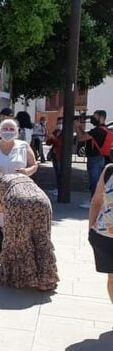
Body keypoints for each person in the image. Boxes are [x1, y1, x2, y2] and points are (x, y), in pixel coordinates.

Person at [0, 172, 59, 290]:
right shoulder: (19, 176)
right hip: (42, 200)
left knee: (17, 241)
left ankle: (19, 279)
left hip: (18, 202)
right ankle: (46, 280)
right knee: (42, 240)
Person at [89, 164, 113, 304]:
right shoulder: (109, 170)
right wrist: (90, 231)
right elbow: (97, 202)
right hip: (105, 237)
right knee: (112, 278)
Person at [76, 110, 108, 209]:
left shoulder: (97, 131)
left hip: (94, 159)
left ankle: (94, 203)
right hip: (100, 158)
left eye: (95, 116)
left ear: (101, 118)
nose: (92, 119)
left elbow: (81, 138)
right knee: (99, 181)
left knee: (94, 182)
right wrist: (81, 127)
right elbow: (87, 135)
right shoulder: (104, 129)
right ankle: (98, 201)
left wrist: (77, 127)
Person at [46, 122, 64, 195]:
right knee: (57, 173)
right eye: (58, 123)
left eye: (60, 123)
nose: (58, 125)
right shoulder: (55, 132)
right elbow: (48, 143)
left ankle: (61, 189)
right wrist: (50, 138)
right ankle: (57, 188)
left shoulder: (65, 133)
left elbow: (61, 144)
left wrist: (54, 138)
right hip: (55, 155)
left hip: (60, 155)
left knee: (60, 173)